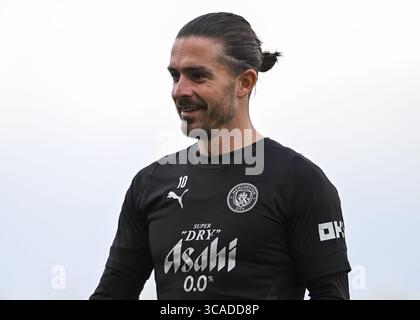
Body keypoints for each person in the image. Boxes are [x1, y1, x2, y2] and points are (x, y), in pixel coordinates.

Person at [90, 12, 351, 300]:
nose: (180, 90)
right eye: (175, 76)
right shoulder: (150, 184)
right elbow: (113, 293)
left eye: (198, 76)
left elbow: (331, 295)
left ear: (245, 83)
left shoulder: (299, 180)